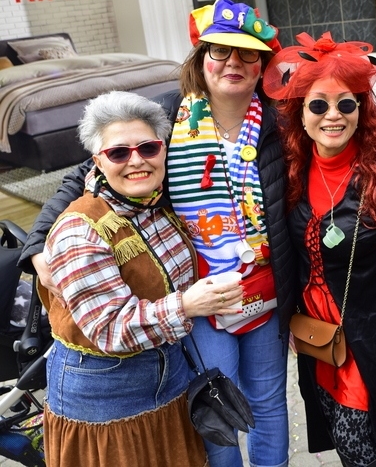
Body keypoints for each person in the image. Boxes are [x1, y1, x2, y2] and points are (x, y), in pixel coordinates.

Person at [19, 0, 297, 467]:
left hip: (265, 288)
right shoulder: (166, 118)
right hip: (198, 293)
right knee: (216, 398)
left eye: (248, 53)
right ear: (201, 58)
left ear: (262, 65)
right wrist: (36, 245)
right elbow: (85, 174)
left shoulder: (281, 124)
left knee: (269, 402)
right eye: (220, 50)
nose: (233, 62)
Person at [261, 31, 376, 467]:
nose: (333, 116)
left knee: (367, 440)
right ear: (300, 113)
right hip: (318, 339)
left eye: (346, 104)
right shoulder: (288, 174)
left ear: (361, 111)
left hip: (372, 337)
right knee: (347, 442)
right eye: (318, 105)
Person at [41, 91, 244, 466]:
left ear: (163, 150)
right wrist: (187, 305)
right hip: (106, 399)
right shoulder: (80, 231)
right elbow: (108, 329)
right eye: (119, 153)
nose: (136, 161)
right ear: (98, 162)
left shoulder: (156, 203)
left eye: (148, 148)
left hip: (170, 382)